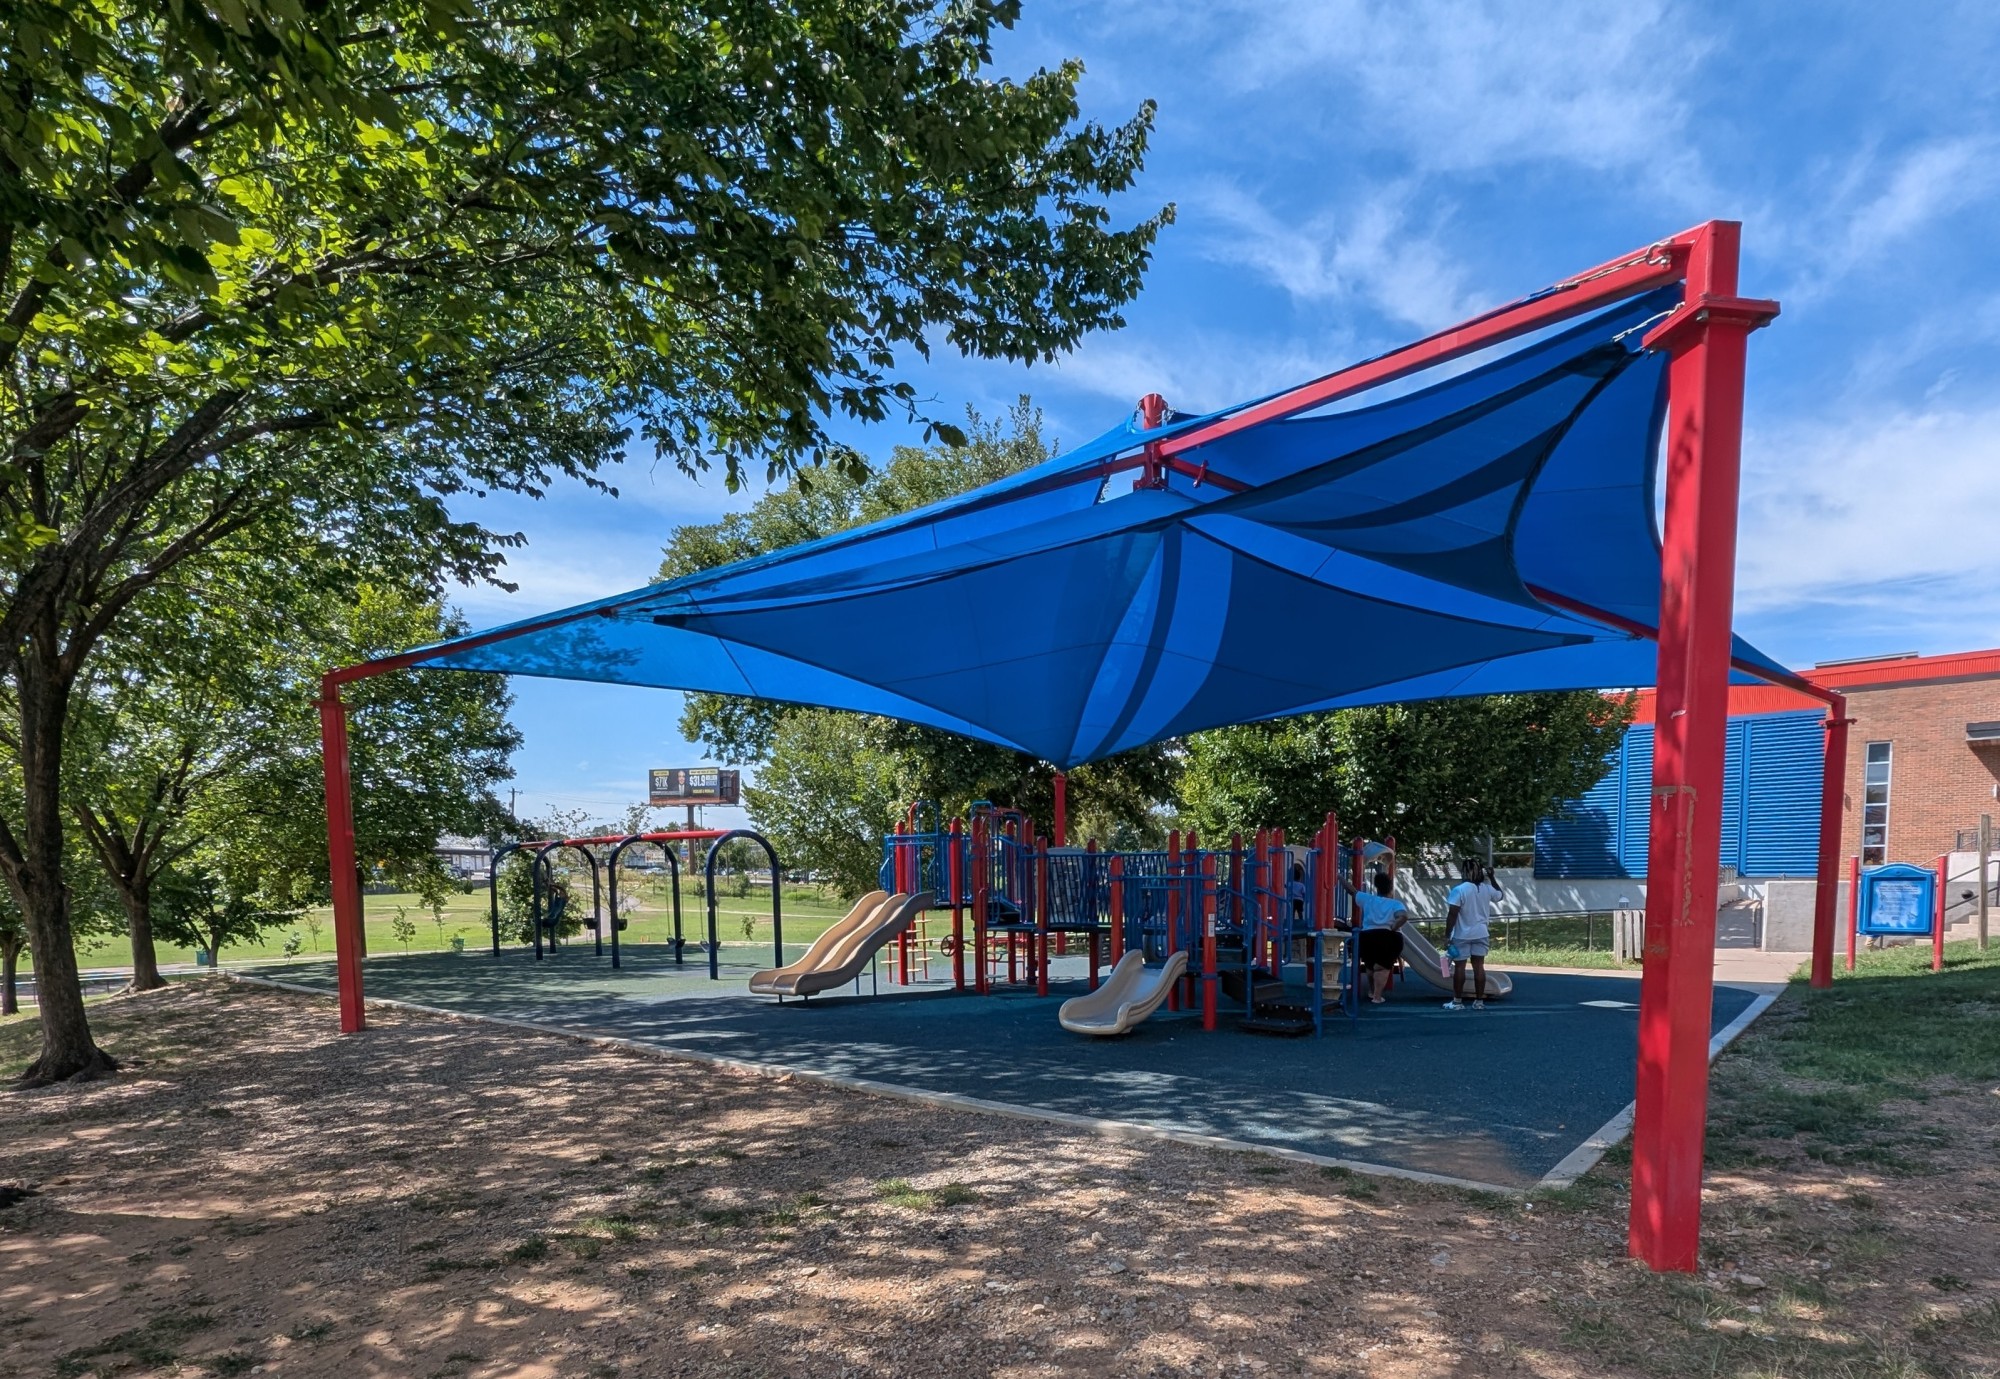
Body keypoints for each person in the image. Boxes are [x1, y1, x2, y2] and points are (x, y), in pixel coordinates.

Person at [1443, 858, 1504, 1010]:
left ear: (1464, 872)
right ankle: (1479, 1002)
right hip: (1481, 933)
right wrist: (1492, 877)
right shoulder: (1486, 888)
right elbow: (1500, 895)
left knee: (1460, 968)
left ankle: (1457, 1002)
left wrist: (1446, 936)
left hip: (1462, 935)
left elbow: (1452, 915)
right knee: (1479, 967)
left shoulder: (1459, 890)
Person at [1342, 868, 1409, 1004]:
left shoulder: (1368, 899)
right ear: (1390, 889)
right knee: (1383, 967)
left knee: (1370, 965)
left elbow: (1352, 891)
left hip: (1368, 935)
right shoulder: (1395, 903)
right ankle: (1377, 996)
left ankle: (1372, 991)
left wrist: (1339, 877)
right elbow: (1403, 916)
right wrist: (1395, 925)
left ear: (1376, 887)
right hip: (1388, 936)